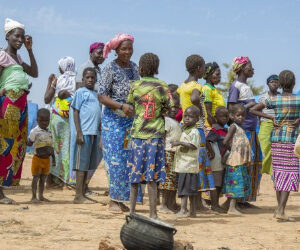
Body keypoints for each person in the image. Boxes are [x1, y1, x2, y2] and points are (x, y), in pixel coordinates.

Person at [127, 53, 173, 219]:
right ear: (156, 68)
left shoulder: (135, 86)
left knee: (135, 175)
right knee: (152, 177)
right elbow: (170, 107)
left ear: (140, 68)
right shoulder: (163, 86)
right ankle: (153, 214)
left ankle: (132, 212)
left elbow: (130, 106)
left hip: (138, 135)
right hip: (155, 136)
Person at [99, 33, 140, 213]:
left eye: (129, 48)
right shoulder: (109, 69)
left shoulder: (134, 68)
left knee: (129, 160)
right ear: (116, 50)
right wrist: (121, 105)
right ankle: (113, 200)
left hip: (130, 121)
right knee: (115, 160)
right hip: (113, 121)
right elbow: (102, 96)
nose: (127, 52)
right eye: (123, 48)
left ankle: (124, 199)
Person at [251, 70, 300, 222]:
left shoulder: (275, 99)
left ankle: (280, 209)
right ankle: (280, 210)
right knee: (290, 173)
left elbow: (253, 109)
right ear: (293, 83)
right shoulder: (298, 100)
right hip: (291, 140)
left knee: (279, 173)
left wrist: (270, 117)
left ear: (281, 83)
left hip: (276, 139)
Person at [0, 18, 38, 204]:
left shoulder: (19, 58)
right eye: (17, 36)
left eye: (23, 37)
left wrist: (30, 50)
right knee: (5, 144)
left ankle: (5, 187)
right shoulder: (2, 56)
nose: (20, 40)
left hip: (21, 103)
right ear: (7, 36)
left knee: (17, 144)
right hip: (9, 103)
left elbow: (35, 72)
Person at [177, 55, 215, 210]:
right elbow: (194, 98)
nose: (205, 70)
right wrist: (199, 109)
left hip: (183, 125)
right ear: (198, 68)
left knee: (187, 161)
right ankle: (196, 203)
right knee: (198, 163)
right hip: (196, 125)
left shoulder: (181, 85)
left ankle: (194, 202)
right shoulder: (196, 86)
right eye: (204, 67)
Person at [227, 56, 262, 206]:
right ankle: (238, 200)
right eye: (250, 66)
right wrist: (252, 106)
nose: (252, 69)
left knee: (254, 164)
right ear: (241, 68)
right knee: (244, 164)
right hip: (243, 131)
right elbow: (231, 109)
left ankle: (246, 198)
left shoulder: (245, 86)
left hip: (251, 130)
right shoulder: (236, 86)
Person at [71, 67, 102, 204]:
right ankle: (78, 195)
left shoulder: (96, 95)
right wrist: (79, 132)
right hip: (84, 133)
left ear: (96, 79)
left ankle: (83, 192)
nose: (90, 80)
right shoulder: (80, 92)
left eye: (92, 77)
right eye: (87, 77)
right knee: (81, 166)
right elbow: (76, 112)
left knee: (88, 165)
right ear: (83, 79)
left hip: (94, 134)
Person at [44, 57, 76, 187]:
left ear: (61, 68)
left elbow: (46, 99)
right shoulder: (77, 80)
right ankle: (66, 180)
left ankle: (52, 179)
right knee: (68, 149)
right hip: (71, 119)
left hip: (56, 118)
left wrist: (50, 82)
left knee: (55, 148)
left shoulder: (58, 80)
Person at [173, 106, 202, 217]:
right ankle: (192, 211)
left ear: (197, 119)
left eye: (191, 117)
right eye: (185, 116)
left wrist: (179, 143)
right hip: (185, 165)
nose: (187, 119)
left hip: (188, 166)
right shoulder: (186, 130)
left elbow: (193, 146)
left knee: (185, 189)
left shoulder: (194, 131)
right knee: (190, 189)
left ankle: (184, 210)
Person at [222, 104, 251, 215]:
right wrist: (233, 149)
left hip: (239, 160)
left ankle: (227, 205)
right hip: (235, 160)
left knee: (239, 181)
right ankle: (231, 208)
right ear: (232, 116)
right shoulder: (233, 127)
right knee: (235, 183)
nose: (241, 118)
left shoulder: (239, 128)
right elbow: (225, 142)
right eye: (238, 115)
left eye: (243, 116)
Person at [158, 89, 181, 213]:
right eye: (171, 106)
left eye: (176, 107)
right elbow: (162, 137)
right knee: (166, 181)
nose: (174, 109)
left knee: (172, 181)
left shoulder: (176, 122)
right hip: (167, 153)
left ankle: (171, 204)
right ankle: (163, 205)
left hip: (175, 154)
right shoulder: (166, 121)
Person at [27, 109, 55, 203]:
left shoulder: (50, 132)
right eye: (42, 120)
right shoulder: (34, 131)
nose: (44, 123)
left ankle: (41, 196)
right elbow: (30, 142)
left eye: (46, 120)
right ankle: (33, 197)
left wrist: (54, 159)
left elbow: (51, 148)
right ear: (37, 120)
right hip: (37, 159)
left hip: (46, 160)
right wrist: (28, 142)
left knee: (43, 179)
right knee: (36, 178)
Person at [206, 106, 229, 213]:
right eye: (222, 116)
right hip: (216, 160)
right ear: (216, 117)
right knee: (216, 184)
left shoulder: (224, 130)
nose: (225, 118)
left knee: (219, 184)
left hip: (222, 160)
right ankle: (214, 205)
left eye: (226, 116)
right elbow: (207, 141)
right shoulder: (215, 129)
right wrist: (212, 152)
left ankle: (216, 204)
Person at [257, 75, 280, 175]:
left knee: (276, 150)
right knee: (265, 149)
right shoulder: (263, 97)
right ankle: (266, 171)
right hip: (265, 124)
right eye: (272, 82)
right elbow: (258, 112)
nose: (274, 83)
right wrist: (261, 123)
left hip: (278, 126)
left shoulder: (282, 97)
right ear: (268, 84)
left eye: (276, 82)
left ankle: (272, 173)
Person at [202, 62, 226, 133]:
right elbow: (208, 113)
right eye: (217, 74)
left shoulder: (215, 90)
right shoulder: (206, 89)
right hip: (211, 128)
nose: (220, 77)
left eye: (220, 75)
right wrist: (217, 129)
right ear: (209, 75)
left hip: (217, 127)